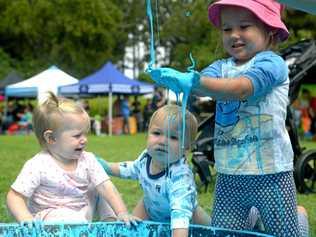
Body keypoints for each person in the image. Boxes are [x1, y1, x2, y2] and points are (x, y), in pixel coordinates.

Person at [148, 0, 299, 235]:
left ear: (269, 31)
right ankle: (253, 220)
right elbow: (202, 86)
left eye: (244, 26)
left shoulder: (272, 63)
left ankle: (300, 218)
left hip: (272, 173)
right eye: (227, 29)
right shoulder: (220, 67)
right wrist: (180, 80)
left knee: (283, 233)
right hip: (230, 174)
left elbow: (242, 88)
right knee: (225, 232)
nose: (234, 35)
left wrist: (195, 82)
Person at [6, 92, 139, 226]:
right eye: (77, 136)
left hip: (82, 210)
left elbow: (107, 187)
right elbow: (15, 196)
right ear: (51, 138)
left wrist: (122, 212)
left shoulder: (88, 159)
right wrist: (26, 218)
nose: (84, 140)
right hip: (51, 217)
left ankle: (111, 225)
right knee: (67, 217)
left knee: (99, 188)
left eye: (85, 134)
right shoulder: (38, 165)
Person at [98, 104, 210, 237]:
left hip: (187, 215)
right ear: (147, 135)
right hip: (149, 207)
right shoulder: (146, 157)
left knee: (209, 231)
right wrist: (106, 166)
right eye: (157, 133)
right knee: (130, 231)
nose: (163, 141)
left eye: (173, 137)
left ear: (186, 149)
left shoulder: (180, 177)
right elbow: (131, 169)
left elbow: (180, 215)